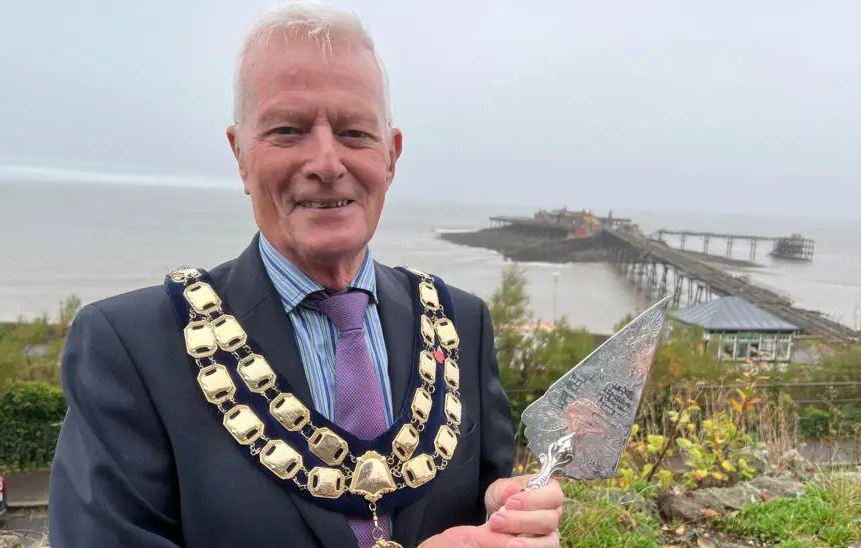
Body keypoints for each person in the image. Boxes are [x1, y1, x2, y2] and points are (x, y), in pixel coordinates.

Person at [48, 2, 564, 547]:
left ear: (391, 155)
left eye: (355, 133)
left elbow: (481, 502)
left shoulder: (460, 322)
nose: (325, 162)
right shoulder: (133, 348)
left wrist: (504, 517)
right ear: (240, 153)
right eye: (288, 130)